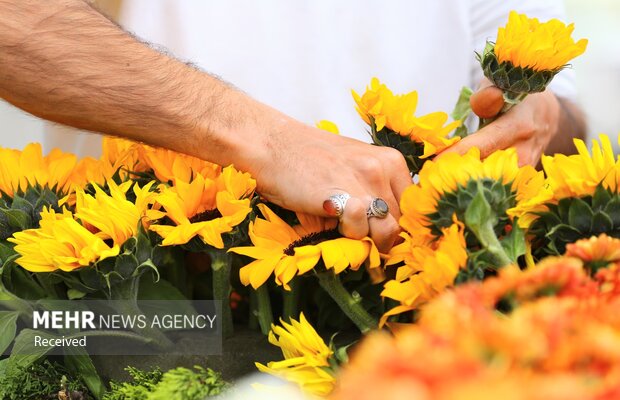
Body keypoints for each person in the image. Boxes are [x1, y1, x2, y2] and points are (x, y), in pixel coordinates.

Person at [0, 0, 586, 252]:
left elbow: (568, 118)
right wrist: (264, 142)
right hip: (156, 286)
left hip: (420, 288)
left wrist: (541, 118)